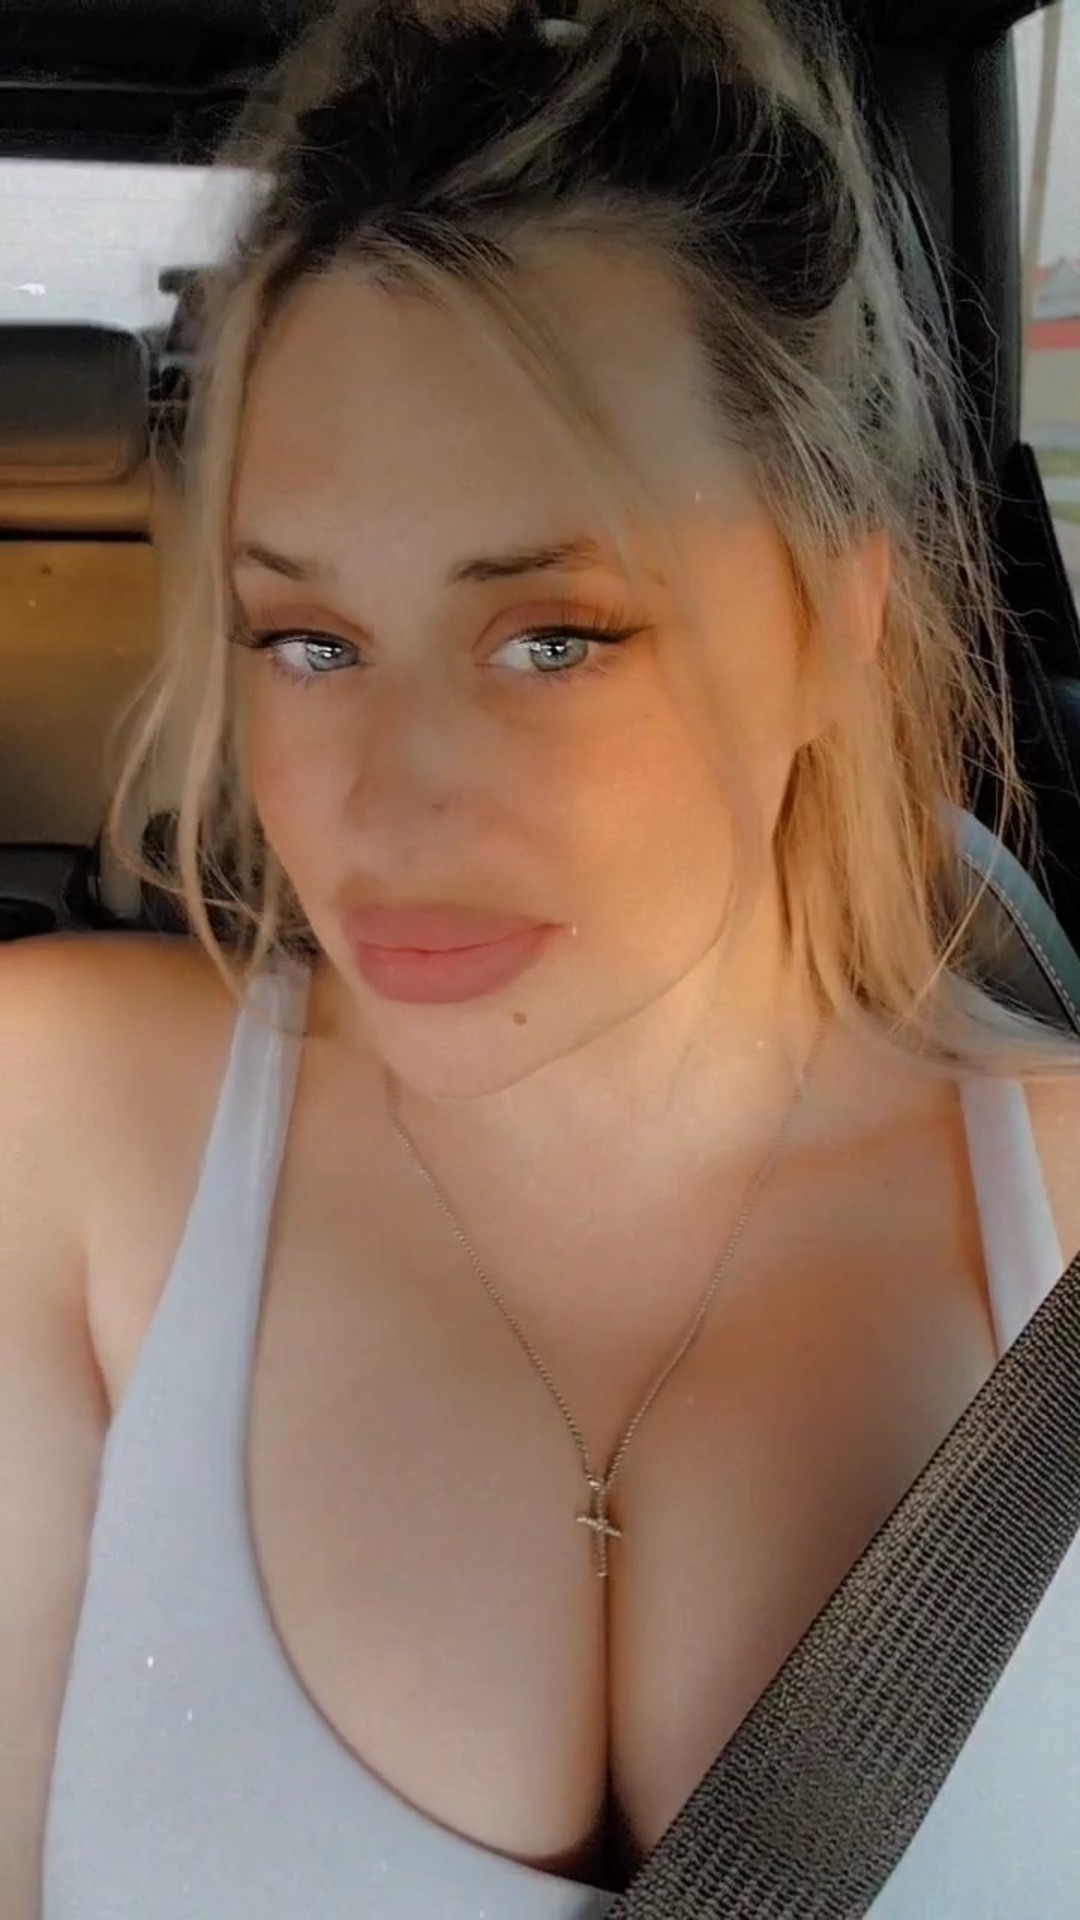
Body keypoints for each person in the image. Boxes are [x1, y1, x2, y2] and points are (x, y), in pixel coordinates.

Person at [4, 0, 1080, 1914]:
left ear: (840, 623)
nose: (386, 807)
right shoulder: (59, 1127)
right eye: (310, 643)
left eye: (553, 637)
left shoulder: (1063, 1222)